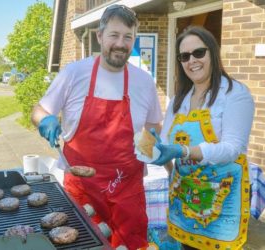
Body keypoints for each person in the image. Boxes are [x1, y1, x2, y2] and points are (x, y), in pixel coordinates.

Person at [31, 4, 163, 249]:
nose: (121, 43)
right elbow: (39, 110)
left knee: (132, 244)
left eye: (128, 37)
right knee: (82, 244)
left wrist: (147, 151)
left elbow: (153, 125)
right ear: (100, 36)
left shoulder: (144, 81)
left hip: (128, 189)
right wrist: (45, 120)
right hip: (82, 189)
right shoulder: (74, 73)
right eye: (114, 35)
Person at [151, 26, 254, 250]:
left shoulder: (235, 93)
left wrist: (185, 151)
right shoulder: (180, 100)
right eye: (184, 56)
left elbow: (232, 148)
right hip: (185, 199)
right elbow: (167, 143)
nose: (192, 61)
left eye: (199, 53)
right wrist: (156, 149)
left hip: (220, 202)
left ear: (213, 53)